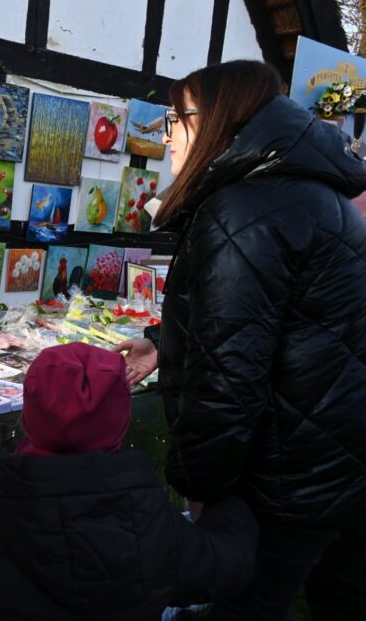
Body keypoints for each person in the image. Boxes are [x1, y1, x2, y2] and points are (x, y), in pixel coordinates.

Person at [113, 60, 366, 620]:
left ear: (214, 120)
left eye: (175, 121)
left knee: (242, 606)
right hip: (329, 458)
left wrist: (201, 486)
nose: (169, 139)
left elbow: (229, 375)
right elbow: (288, 323)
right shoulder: (313, 198)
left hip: (283, 474)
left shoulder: (246, 208)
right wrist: (166, 341)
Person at [0, 343, 258, 621]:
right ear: (120, 422)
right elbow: (225, 564)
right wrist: (228, 501)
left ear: (29, 416)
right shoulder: (152, 516)